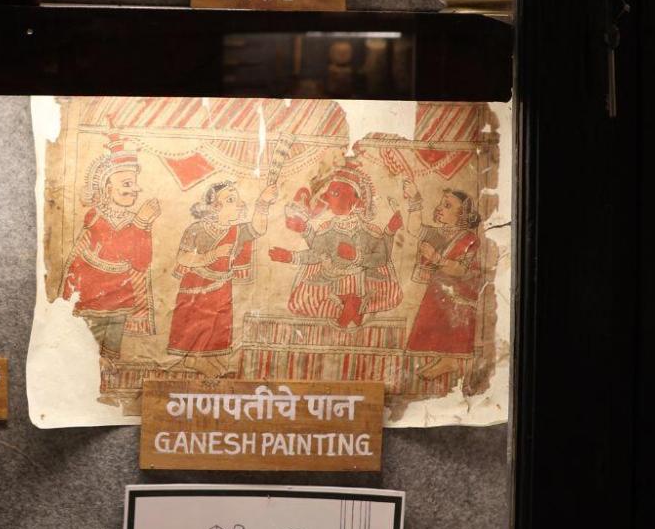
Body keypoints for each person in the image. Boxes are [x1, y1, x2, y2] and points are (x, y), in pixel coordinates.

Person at [269, 162, 404, 329]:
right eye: (328, 193)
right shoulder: (327, 229)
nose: (326, 197)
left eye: (335, 192)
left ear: (355, 201)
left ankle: (351, 308)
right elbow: (316, 254)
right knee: (297, 302)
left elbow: (382, 258)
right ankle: (349, 309)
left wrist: (358, 256)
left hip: (359, 280)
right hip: (331, 279)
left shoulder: (367, 230)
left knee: (390, 295)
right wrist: (291, 256)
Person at [60, 138, 159, 362]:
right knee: (87, 354)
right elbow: (114, 247)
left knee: (111, 355)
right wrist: (141, 224)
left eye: (134, 183)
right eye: (126, 184)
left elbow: (141, 263)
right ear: (107, 188)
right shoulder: (95, 216)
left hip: (121, 298)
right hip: (90, 296)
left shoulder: (136, 221)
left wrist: (142, 225)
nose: (135, 189)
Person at [167, 176, 277, 358]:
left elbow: (258, 228)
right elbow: (183, 257)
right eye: (231, 200)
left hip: (221, 291)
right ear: (216, 206)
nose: (241, 204)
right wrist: (213, 255)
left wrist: (263, 202)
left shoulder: (237, 231)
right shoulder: (197, 229)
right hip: (195, 289)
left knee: (217, 335)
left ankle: (209, 363)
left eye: (238, 199)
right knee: (193, 335)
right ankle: (191, 363)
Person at [404, 184, 485, 359]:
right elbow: (414, 228)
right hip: (433, 293)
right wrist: (414, 199)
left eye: (447, 205)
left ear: (462, 214)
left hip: (456, 297)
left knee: (450, 340)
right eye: (441, 204)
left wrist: (436, 258)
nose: (439, 208)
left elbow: (461, 269)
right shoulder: (436, 232)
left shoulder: (469, 239)